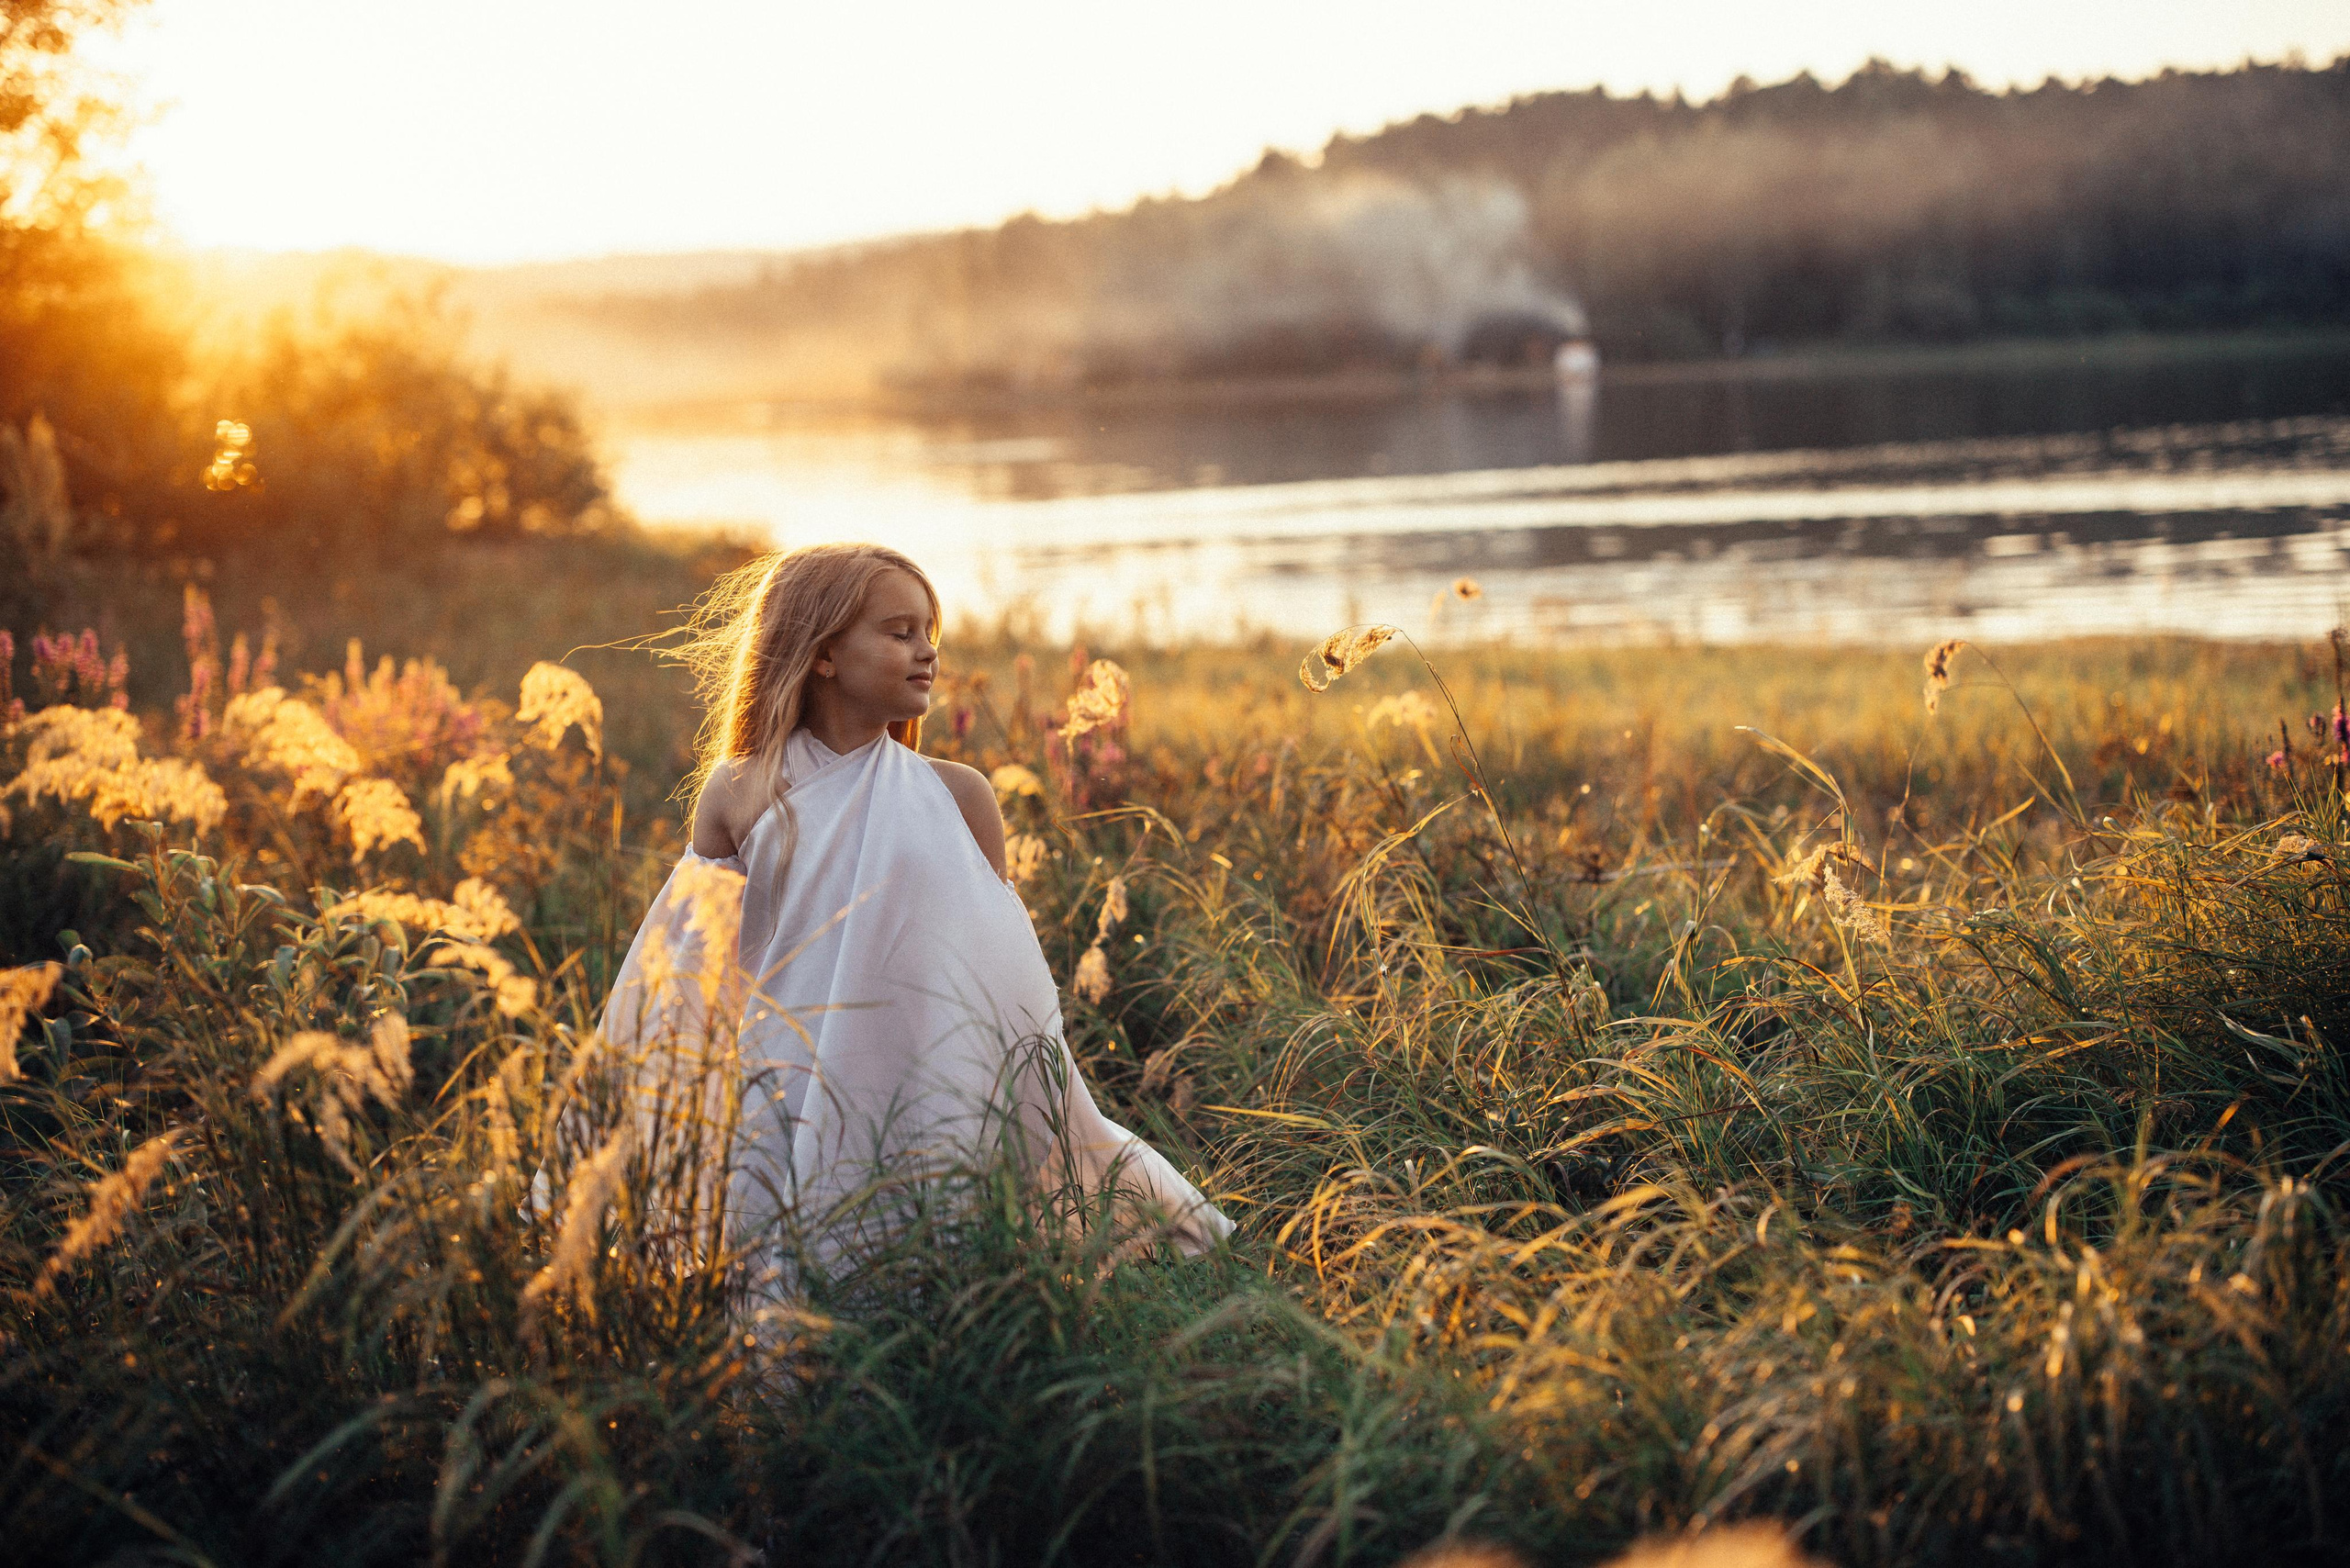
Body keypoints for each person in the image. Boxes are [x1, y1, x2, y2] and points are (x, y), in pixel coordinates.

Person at [598, 543, 1231, 1271]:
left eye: (931, 633)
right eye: (899, 633)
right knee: (790, 1278)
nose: (927, 653)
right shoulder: (741, 791)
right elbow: (684, 969)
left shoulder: (959, 795)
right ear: (824, 653)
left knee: (934, 1264)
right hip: (784, 1082)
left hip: (927, 1074)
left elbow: (1005, 979)